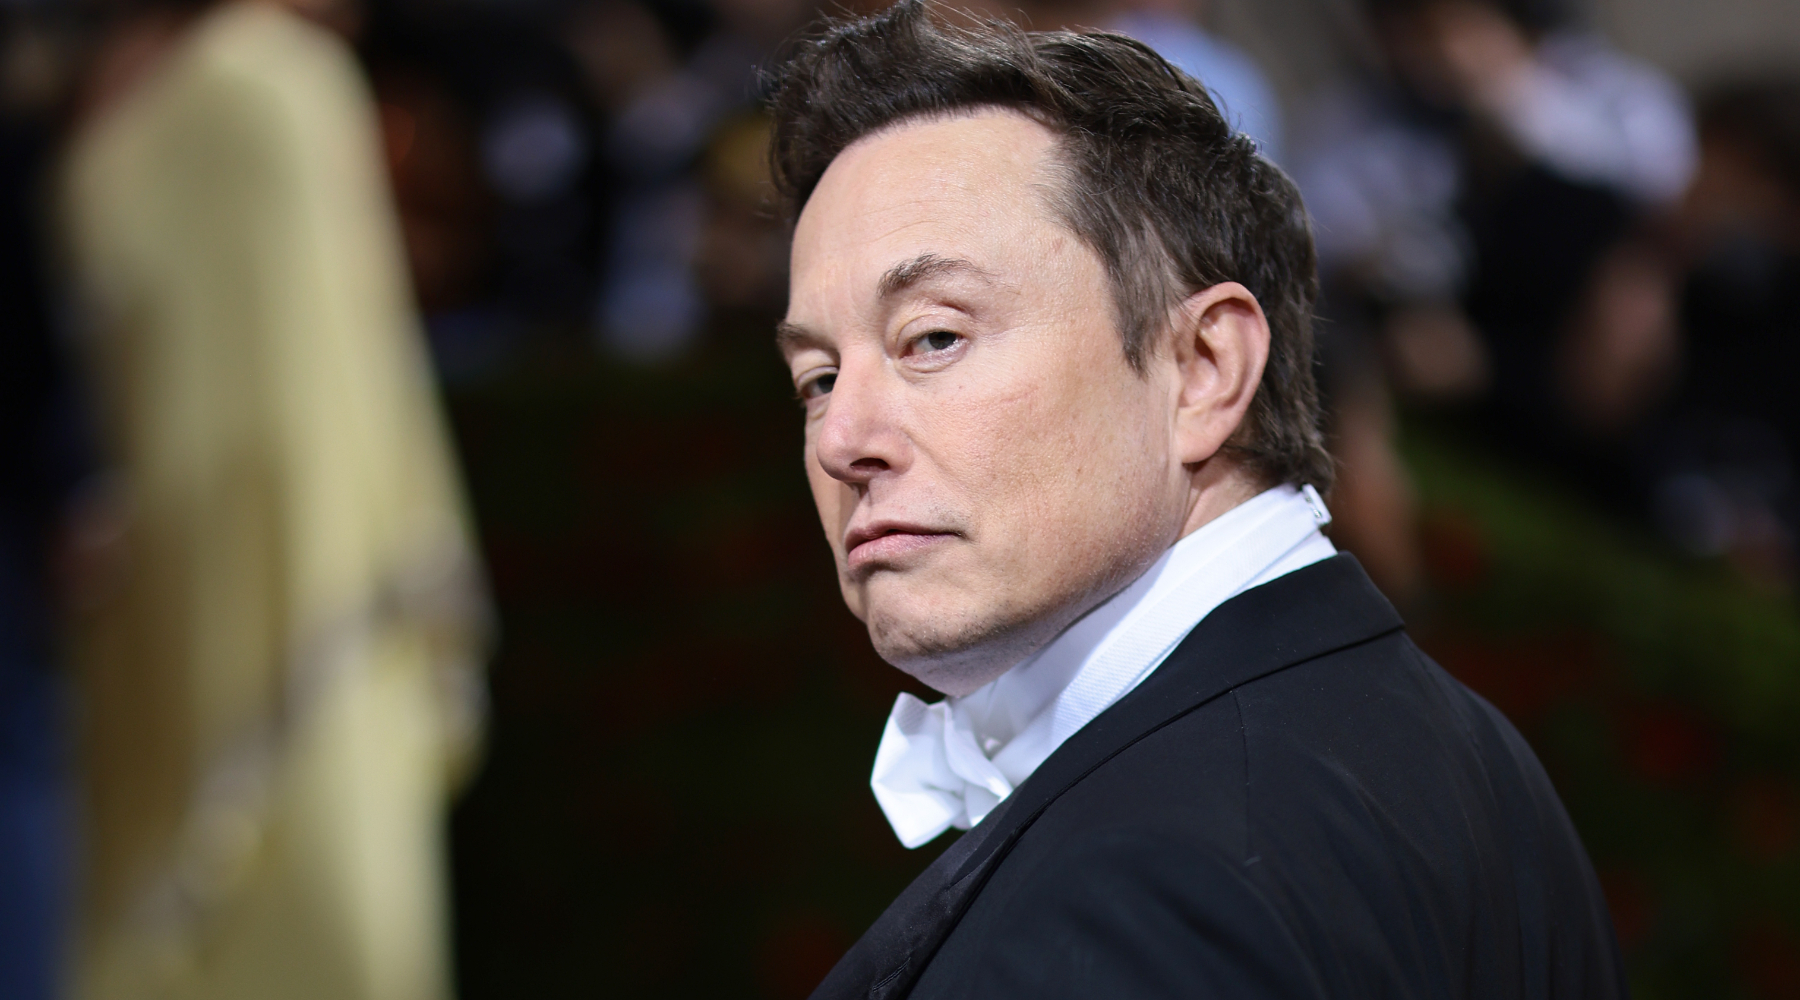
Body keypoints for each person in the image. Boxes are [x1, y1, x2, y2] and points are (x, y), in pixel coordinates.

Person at [768, 3, 1624, 996]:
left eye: (933, 337)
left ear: (1204, 368)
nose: (840, 440)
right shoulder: (1442, 748)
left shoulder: (1158, 878)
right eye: (817, 378)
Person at [58, 1, 487, 998]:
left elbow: (322, 371)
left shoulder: (260, 82)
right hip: (191, 576)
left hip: (242, 579)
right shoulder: (255, 85)